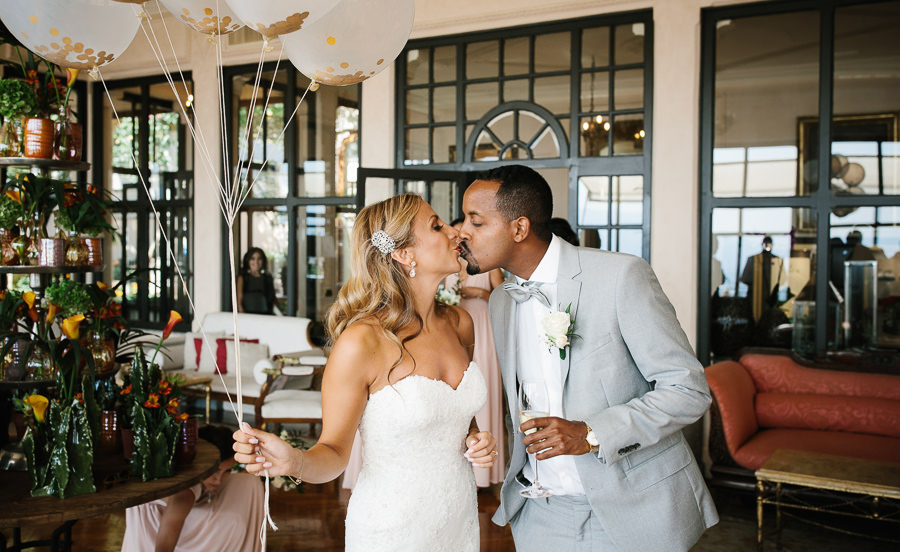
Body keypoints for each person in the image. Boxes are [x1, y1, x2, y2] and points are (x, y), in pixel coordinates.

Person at [456, 165, 718, 552]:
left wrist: (591, 433)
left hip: (630, 509)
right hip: (539, 513)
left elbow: (688, 389)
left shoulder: (621, 276)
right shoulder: (501, 301)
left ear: (519, 228)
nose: (461, 231)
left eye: (475, 221)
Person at [233, 193, 498, 552]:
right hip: (391, 529)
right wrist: (293, 460)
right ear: (405, 254)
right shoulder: (361, 343)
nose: (455, 232)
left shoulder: (460, 323)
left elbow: (459, 418)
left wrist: (475, 440)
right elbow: (334, 453)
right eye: (437, 226)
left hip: (459, 520)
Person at [121, 425, 264, 552]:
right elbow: (171, 526)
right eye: (214, 471)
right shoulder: (187, 492)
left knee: (250, 482)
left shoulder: (180, 464)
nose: (218, 479)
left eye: (227, 471)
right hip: (151, 531)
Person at [444, 217, 506, 487]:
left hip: (482, 325)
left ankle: (485, 471)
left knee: (484, 388)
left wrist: (478, 295)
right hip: (453, 327)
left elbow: (504, 295)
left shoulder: (486, 263)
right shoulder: (445, 265)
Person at [236, 247, 276, 315]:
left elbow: (273, 299)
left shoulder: (268, 278)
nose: (256, 262)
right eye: (252, 259)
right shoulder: (242, 278)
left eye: (259, 259)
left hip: (266, 316)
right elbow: (239, 303)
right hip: (249, 316)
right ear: (248, 260)